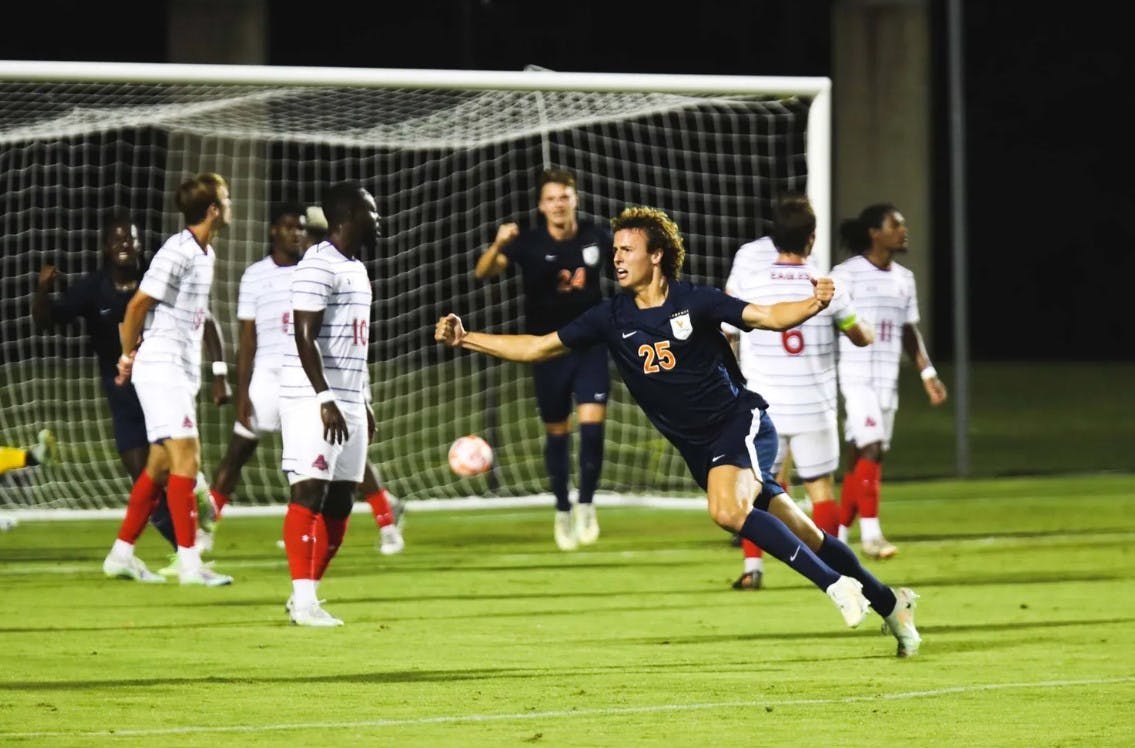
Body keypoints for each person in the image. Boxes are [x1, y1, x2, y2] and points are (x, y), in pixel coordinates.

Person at [437, 205, 921, 657]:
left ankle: (837, 587)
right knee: (808, 533)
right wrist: (467, 338)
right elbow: (537, 347)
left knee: (726, 510)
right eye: (615, 251)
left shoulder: (699, 301)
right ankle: (889, 602)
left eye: (627, 250)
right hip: (698, 448)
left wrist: (814, 303)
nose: (617, 258)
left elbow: (769, 316)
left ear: (658, 255)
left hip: (741, 421)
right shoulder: (611, 317)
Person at [201, 203, 404, 557]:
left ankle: (386, 518)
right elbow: (248, 337)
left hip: (311, 376)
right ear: (273, 232)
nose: (296, 234)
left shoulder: (316, 271)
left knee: (341, 450)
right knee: (238, 451)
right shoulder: (255, 276)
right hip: (268, 376)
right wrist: (243, 389)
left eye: (301, 228)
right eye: (288, 227)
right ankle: (207, 527)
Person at [32, 210, 225, 564]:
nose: (124, 244)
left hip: (161, 379)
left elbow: (204, 316)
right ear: (107, 247)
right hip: (122, 392)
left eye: (130, 238)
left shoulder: (155, 276)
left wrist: (219, 370)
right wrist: (43, 289)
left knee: (169, 466)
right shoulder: (92, 288)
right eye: (117, 238)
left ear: (139, 245)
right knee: (146, 475)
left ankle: (185, 548)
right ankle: (180, 544)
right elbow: (47, 320)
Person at [722, 193, 874, 590]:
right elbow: (861, 337)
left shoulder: (751, 282)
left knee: (755, 491)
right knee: (821, 489)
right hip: (814, 405)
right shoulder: (828, 286)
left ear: (775, 238)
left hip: (764, 408)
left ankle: (753, 569)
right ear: (811, 238)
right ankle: (839, 571)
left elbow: (727, 335)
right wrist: (861, 322)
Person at [102, 172, 235, 587]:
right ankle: (192, 564)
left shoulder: (205, 254)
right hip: (160, 367)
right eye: (226, 198)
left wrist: (215, 369)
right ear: (213, 210)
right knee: (187, 460)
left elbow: (198, 317)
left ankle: (120, 554)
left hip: (180, 369)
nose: (230, 204)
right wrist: (128, 355)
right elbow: (138, 304)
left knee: (160, 466)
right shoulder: (176, 252)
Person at [474, 168, 613, 551]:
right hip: (547, 349)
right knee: (557, 432)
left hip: (589, 345)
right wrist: (498, 244)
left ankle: (586, 502)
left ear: (575, 199)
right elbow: (483, 272)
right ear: (541, 205)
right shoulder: (529, 243)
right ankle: (562, 508)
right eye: (551, 199)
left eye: (564, 197)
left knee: (592, 425)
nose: (558, 204)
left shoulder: (597, 236)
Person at [279, 182, 381, 626]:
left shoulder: (356, 268)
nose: (377, 219)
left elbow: (351, 344)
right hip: (312, 396)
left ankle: (308, 594)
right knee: (309, 489)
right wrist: (324, 397)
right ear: (346, 218)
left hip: (349, 398)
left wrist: (361, 399)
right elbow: (305, 338)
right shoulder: (317, 265)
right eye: (370, 212)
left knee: (341, 502)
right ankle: (303, 602)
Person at [831, 203, 948, 559]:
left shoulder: (904, 279)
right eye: (895, 224)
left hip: (886, 381)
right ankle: (872, 536)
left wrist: (928, 373)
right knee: (873, 446)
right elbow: (830, 319)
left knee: (862, 455)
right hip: (855, 375)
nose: (903, 230)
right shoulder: (846, 275)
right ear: (874, 233)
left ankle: (835, 536)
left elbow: (908, 331)